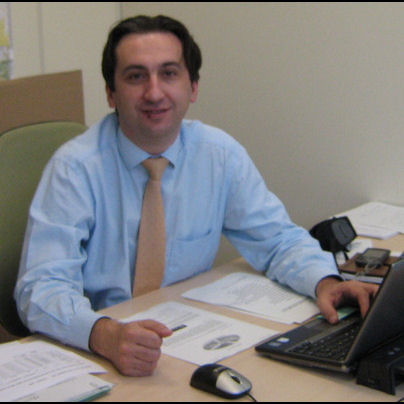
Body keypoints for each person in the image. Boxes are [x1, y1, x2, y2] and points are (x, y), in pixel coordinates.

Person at [14, 15, 377, 377]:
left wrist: (326, 282)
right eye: (136, 76)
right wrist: (103, 334)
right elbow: (40, 288)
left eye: (169, 73)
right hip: (100, 350)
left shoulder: (218, 154)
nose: (154, 92)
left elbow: (277, 239)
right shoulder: (74, 169)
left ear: (193, 87)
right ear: (111, 93)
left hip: (186, 341)